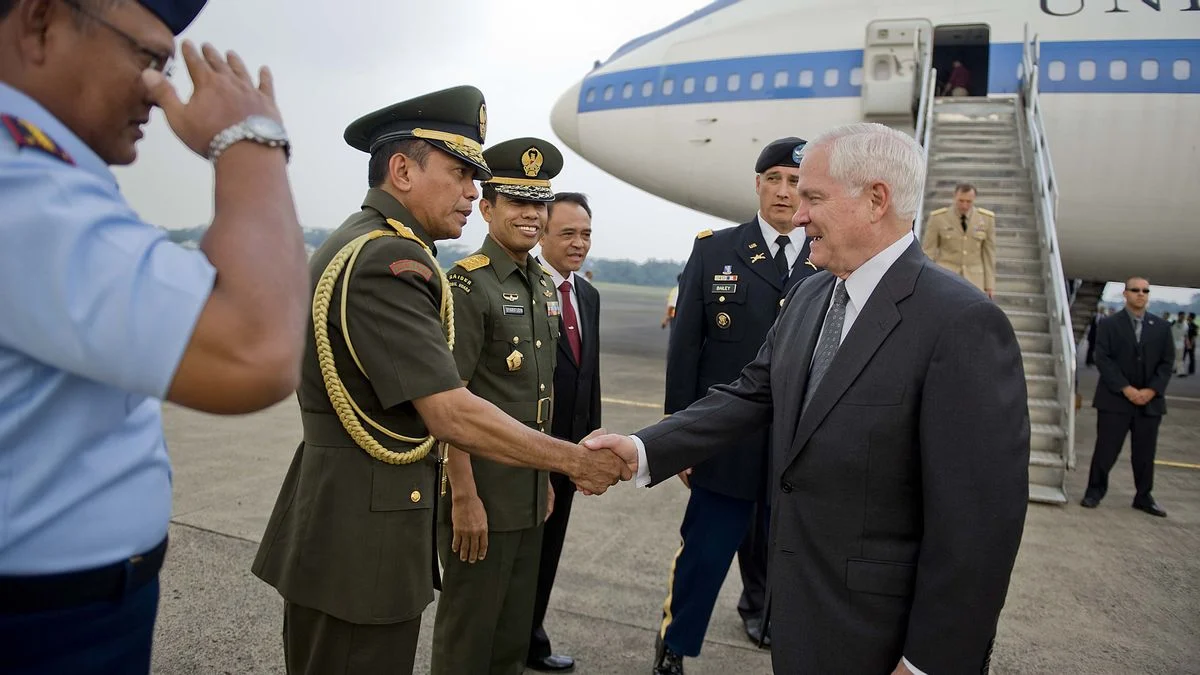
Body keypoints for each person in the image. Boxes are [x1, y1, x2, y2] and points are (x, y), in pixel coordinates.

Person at [585, 123, 1030, 674]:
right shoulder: (812, 293)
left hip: (880, 639)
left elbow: (978, 526)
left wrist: (927, 663)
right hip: (802, 619)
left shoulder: (961, 322)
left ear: (875, 200)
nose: (797, 215)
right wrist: (642, 448)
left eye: (813, 197)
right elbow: (751, 394)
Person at [250, 94, 628, 675]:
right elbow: (450, 411)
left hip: (349, 512)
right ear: (403, 170)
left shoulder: (368, 240)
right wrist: (573, 461)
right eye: (459, 174)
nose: (473, 192)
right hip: (363, 530)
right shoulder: (389, 260)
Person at [0, 1, 311, 672]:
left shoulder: (49, 175)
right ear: (40, 22)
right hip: (40, 625)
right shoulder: (17, 182)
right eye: (147, 58)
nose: (160, 88)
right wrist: (250, 141)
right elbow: (254, 349)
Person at [651, 136, 820, 674]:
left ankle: (772, 625)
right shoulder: (716, 250)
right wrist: (680, 440)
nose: (784, 192)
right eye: (774, 179)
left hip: (796, 445)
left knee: (788, 555)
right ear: (757, 185)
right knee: (704, 552)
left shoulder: (828, 255)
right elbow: (685, 354)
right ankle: (674, 648)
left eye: (795, 182)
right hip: (725, 442)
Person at [430, 137, 566, 675]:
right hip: (481, 494)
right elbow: (450, 402)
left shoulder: (541, 284)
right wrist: (464, 496)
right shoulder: (469, 285)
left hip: (529, 495)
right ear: (487, 208)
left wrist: (547, 475)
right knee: (469, 638)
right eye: (517, 202)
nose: (531, 215)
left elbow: (537, 399)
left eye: (539, 204)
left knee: (510, 638)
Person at [524, 192, 601, 673]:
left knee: (548, 553)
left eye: (586, 234)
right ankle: (506, 643)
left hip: (569, 455)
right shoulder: (524, 286)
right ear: (543, 234)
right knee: (519, 557)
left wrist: (589, 449)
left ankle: (531, 637)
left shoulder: (586, 294)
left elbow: (588, 375)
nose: (579, 244)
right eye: (568, 233)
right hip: (528, 452)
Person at [1080, 279, 1174, 517]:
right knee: (1106, 449)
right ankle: (1094, 491)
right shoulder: (1110, 324)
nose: (1141, 294)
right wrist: (1126, 388)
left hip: (1149, 403)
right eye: (1136, 290)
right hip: (1115, 400)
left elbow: (1166, 364)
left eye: (1145, 291)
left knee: (1144, 453)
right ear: (1125, 294)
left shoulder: (1162, 327)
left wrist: (1150, 391)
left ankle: (1143, 496)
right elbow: (1103, 358)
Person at [921, 182, 996, 298]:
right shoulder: (938, 218)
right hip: (945, 275)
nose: (964, 205)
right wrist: (924, 278)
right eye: (961, 201)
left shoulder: (986, 219)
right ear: (954, 197)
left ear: (974, 199)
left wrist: (989, 285)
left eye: (969, 202)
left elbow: (989, 254)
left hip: (974, 279)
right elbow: (928, 251)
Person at [1185, 312, 1197, 376]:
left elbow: (1194, 336)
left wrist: (1191, 345)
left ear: (1191, 318)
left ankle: (1191, 370)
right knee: (1182, 357)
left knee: (1191, 357)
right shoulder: (1186, 325)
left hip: (1191, 344)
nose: (1187, 317)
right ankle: (1180, 369)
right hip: (1185, 343)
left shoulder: (1194, 326)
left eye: (1188, 316)